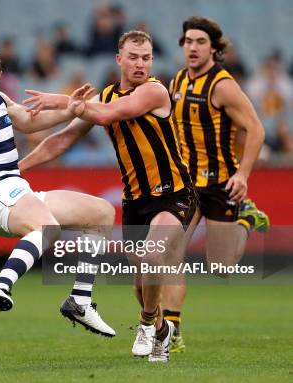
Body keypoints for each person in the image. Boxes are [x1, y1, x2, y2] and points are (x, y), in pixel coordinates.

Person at [19, 31, 197, 362]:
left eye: (146, 57)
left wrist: (63, 101)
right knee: (141, 286)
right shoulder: (105, 96)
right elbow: (63, 139)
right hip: (135, 202)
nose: (140, 63)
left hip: (174, 195)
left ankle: (145, 325)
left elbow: (106, 115)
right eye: (133, 57)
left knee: (153, 255)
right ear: (119, 59)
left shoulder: (155, 92)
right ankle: (161, 332)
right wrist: (18, 168)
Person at [0, 43, 117, 337]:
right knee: (48, 228)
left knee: (101, 213)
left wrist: (71, 109)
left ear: (0, 76)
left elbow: (29, 121)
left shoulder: (0, 100)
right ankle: (2, 285)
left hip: (17, 191)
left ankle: (80, 300)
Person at [163, 16, 270, 353]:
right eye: (188, 41)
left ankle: (247, 218)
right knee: (169, 253)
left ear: (213, 48)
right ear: (182, 46)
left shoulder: (222, 85)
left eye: (200, 42)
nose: (193, 47)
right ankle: (172, 331)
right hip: (187, 185)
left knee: (220, 266)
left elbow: (256, 129)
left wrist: (242, 175)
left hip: (221, 184)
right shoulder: (176, 81)